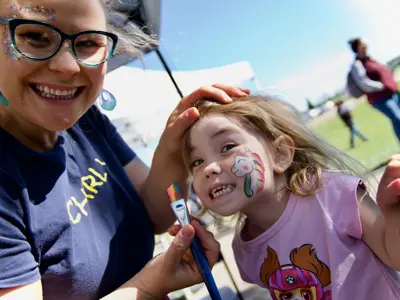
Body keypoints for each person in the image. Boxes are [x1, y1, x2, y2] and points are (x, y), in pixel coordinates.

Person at [0, 0, 251, 299]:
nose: (68, 67)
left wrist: (174, 144)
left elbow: (157, 214)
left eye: (89, 42)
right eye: (36, 37)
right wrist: (148, 285)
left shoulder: (87, 122)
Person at [181, 95, 400, 299]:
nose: (208, 168)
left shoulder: (331, 194)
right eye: (196, 162)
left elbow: (395, 255)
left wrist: (393, 210)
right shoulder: (244, 250)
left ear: (280, 154)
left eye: (227, 147)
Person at [348, 38, 400, 141]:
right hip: (380, 98)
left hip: (392, 93)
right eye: (363, 42)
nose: (366, 43)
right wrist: (382, 86)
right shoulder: (357, 64)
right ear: (358, 47)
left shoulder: (371, 60)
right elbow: (363, 83)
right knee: (397, 119)